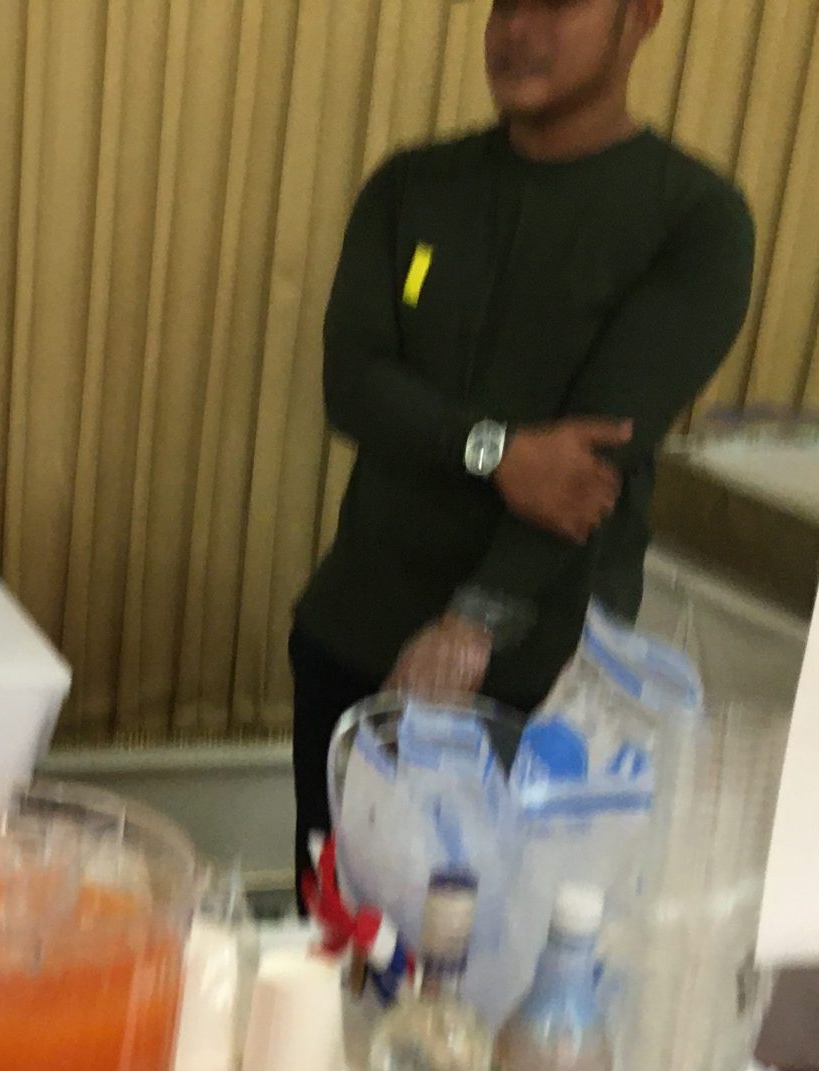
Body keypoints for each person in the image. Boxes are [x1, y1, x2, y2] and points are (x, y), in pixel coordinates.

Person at [290, 0, 754, 887]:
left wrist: (473, 622)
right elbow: (353, 384)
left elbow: (592, 463)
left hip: (544, 686)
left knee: (505, 943)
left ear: (641, 16)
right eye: (506, 2)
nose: (518, 30)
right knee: (336, 926)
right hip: (357, 636)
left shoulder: (695, 220)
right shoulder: (414, 187)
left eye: (558, 4)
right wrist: (495, 451)